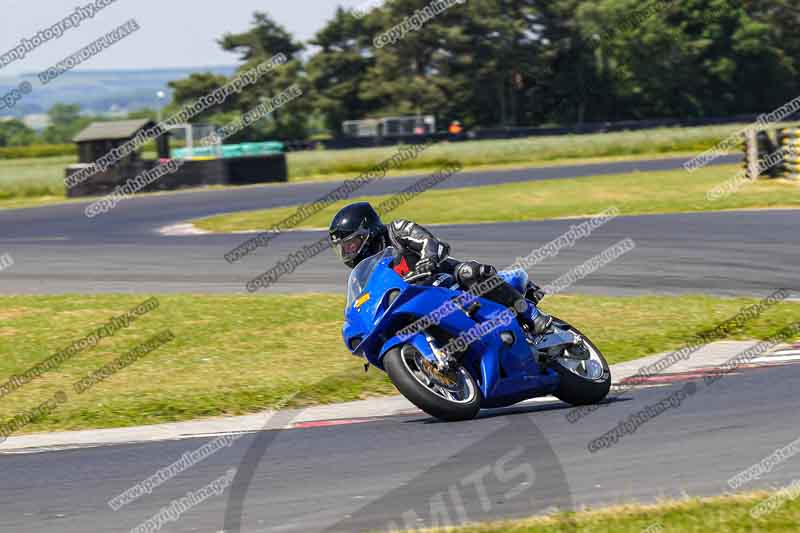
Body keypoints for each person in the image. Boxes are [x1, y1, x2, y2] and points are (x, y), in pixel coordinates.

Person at [328, 202, 552, 338]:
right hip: (413, 303)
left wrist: (429, 259)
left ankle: (531, 315)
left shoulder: (396, 231)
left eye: (351, 244)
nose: (348, 252)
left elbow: (429, 242)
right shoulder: (363, 274)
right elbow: (363, 301)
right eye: (343, 249)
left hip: (444, 279)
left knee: (471, 272)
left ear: (367, 232)